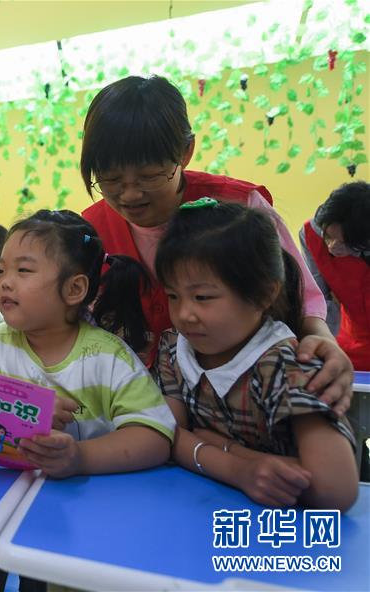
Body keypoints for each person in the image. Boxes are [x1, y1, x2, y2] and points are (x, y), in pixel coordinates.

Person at [79, 75, 353, 415]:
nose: (130, 194)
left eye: (149, 176)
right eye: (111, 180)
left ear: (186, 151)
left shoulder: (238, 206)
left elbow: (300, 298)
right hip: (141, 402)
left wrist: (323, 342)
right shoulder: (91, 229)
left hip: (246, 397)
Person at [153, 199, 357, 510]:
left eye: (202, 297)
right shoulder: (174, 348)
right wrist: (240, 468)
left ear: (263, 293)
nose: (184, 314)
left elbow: (335, 490)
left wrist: (210, 444)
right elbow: (165, 437)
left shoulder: (286, 364)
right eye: (172, 295)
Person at [0, 210, 176, 479]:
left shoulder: (108, 356)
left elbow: (155, 436)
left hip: (94, 502)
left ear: (73, 289)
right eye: (1, 270)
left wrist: (80, 457)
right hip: (12, 493)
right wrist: (26, 411)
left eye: (23, 270)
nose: (5, 282)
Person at [299, 181, 370, 371]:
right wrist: (327, 348)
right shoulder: (311, 235)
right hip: (345, 339)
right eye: (329, 236)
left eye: (345, 243)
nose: (332, 247)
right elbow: (318, 301)